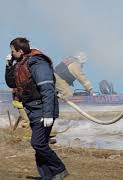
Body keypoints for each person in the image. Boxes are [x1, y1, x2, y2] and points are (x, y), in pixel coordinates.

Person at [5, 37, 68, 179]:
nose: (11, 53)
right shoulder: (21, 62)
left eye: (12, 51)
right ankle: (47, 176)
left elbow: (47, 88)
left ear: (20, 51)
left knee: (37, 143)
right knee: (40, 145)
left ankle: (59, 169)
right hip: (33, 109)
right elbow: (11, 83)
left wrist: (47, 114)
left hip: (42, 109)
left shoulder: (38, 63)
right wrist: (9, 65)